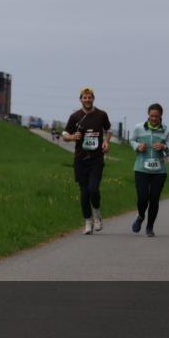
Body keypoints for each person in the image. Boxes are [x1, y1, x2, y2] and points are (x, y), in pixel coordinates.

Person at [63, 87, 111, 234]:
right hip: (80, 159)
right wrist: (72, 137)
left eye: (89, 97)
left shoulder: (101, 114)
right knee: (84, 193)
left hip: (96, 158)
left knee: (93, 189)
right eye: (85, 97)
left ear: (93, 98)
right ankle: (88, 221)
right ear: (81, 99)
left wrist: (106, 142)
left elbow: (108, 130)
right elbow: (65, 133)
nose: (87, 100)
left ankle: (96, 213)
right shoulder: (75, 116)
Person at [130, 103, 169, 237]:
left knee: (154, 199)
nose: (154, 118)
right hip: (141, 168)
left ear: (161, 116)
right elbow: (131, 140)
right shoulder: (139, 128)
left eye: (156, 116)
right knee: (143, 197)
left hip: (159, 171)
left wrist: (163, 147)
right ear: (148, 115)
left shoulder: (167, 131)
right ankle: (140, 216)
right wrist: (138, 146)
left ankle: (150, 227)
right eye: (151, 116)